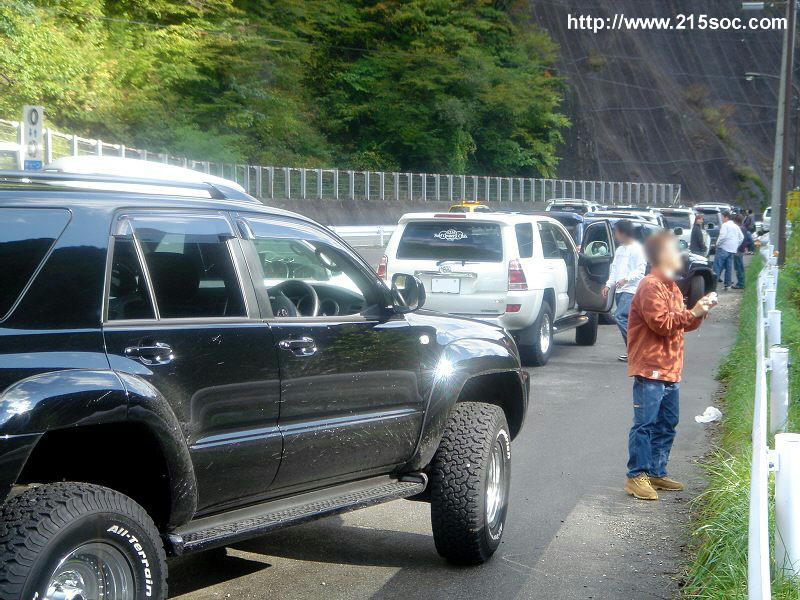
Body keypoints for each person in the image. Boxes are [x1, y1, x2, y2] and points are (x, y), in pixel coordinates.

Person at [624, 231, 718, 501]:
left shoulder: (672, 287)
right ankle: (636, 476)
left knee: (667, 423)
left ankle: (656, 472)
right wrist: (693, 312)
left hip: (670, 368)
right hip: (650, 367)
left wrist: (700, 310)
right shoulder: (650, 285)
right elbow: (662, 324)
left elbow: (684, 322)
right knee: (645, 424)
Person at [602, 220, 647, 362]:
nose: (615, 235)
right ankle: (633, 352)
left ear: (624, 233)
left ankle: (638, 348)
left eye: (616, 232)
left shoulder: (637, 249)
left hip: (632, 290)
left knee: (620, 316)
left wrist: (626, 279)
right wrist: (608, 285)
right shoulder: (620, 250)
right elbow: (614, 269)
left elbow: (640, 271)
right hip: (619, 290)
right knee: (628, 321)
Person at [713, 211, 743, 290]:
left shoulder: (725, 225)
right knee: (728, 268)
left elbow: (722, 236)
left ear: (726, 217)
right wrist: (736, 245)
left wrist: (717, 244)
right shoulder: (736, 226)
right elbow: (741, 237)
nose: (721, 219)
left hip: (723, 248)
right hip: (732, 250)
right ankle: (728, 284)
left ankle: (712, 285)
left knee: (717, 267)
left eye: (722, 217)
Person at [732, 213, 752, 289]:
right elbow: (747, 239)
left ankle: (740, 284)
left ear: (735, 221)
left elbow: (739, 240)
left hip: (738, 250)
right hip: (741, 249)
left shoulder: (739, 228)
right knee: (740, 267)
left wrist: (737, 249)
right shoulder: (743, 228)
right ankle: (741, 282)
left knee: (738, 267)